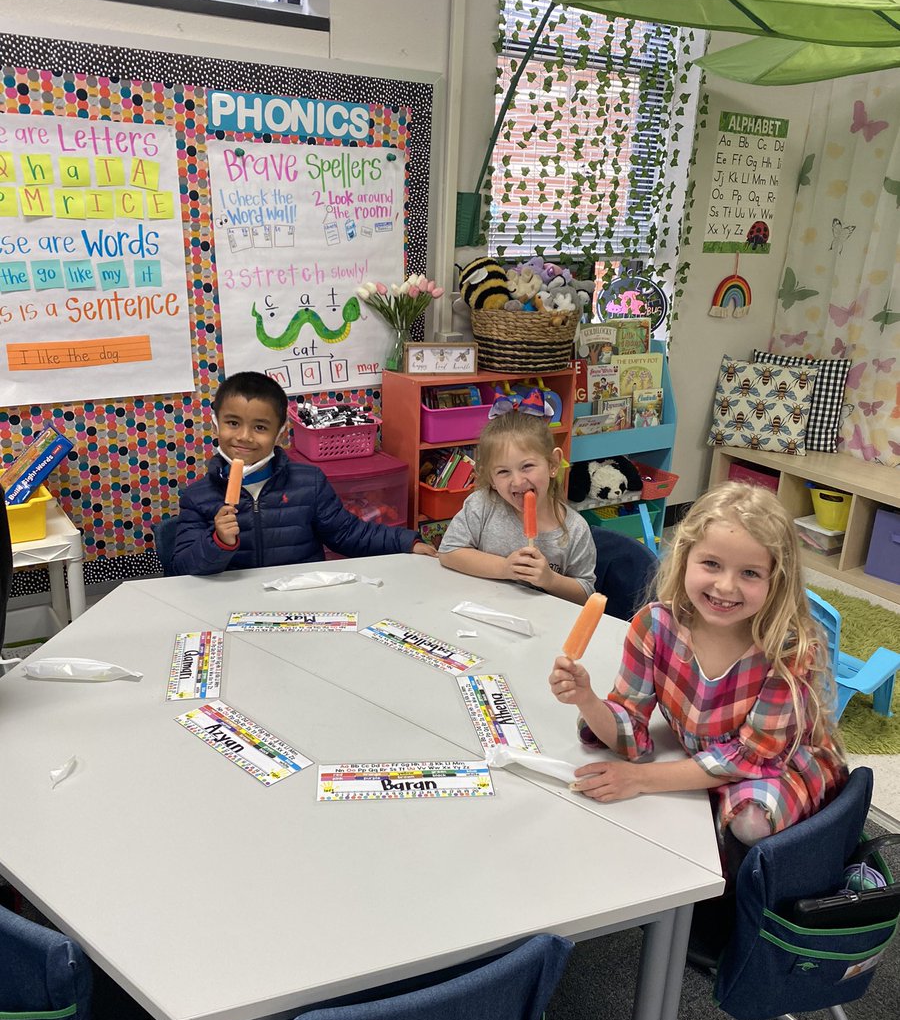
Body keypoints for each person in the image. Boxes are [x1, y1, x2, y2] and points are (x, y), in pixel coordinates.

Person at [549, 481, 847, 867]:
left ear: (776, 580)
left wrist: (640, 780)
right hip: (706, 755)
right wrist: (586, 699)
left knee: (750, 823)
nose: (726, 586)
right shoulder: (653, 626)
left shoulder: (786, 650)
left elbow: (749, 758)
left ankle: (751, 891)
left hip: (781, 764)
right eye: (711, 564)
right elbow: (631, 733)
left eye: (750, 573)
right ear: (685, 557)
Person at [172, 371, 437, 575]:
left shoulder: (309, 483)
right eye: (233, 423)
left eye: (260, 427)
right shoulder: (198, 497)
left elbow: (347, 534)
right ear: (216, 424)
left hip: (300, 600)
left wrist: (406, 542)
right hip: (232, 605)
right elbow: (183, 568)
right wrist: (218, 540)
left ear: (279, 433)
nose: (244, 437)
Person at [438, 404, 595, 605]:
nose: (518, 481)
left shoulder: (575, 529)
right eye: (503, 472)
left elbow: (586, 595)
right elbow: (449, 552)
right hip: (484, 610)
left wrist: (550, 579)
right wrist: (505, 568)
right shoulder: (483, 505)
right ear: (490, 477)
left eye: (527, 466)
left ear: (553, 464)